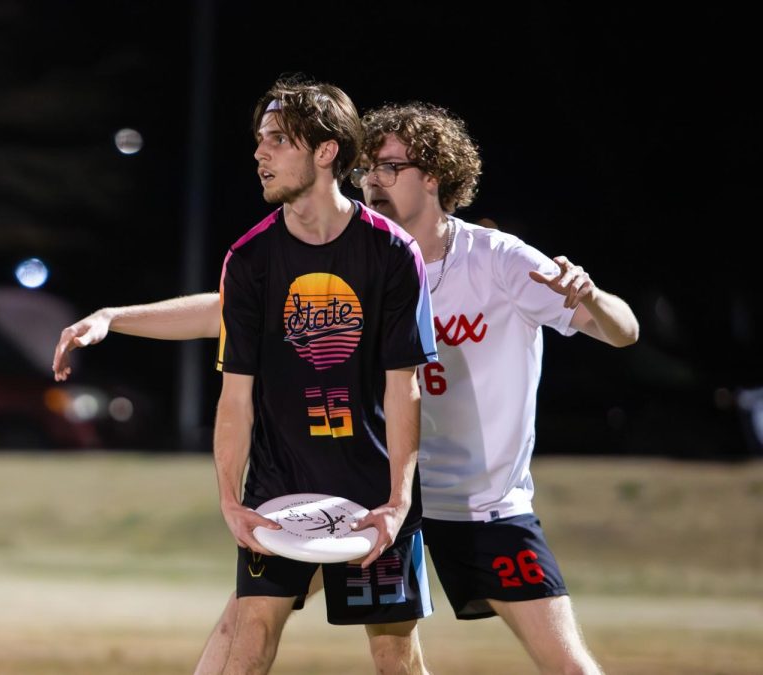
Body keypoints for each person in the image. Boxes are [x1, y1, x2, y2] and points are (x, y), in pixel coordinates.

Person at [54, 101, 639, 674]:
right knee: (245, 623)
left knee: (559, 661)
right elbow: (229, 311)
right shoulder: (358, 258)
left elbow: (622, 332)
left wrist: (590, 295)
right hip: (365, 487)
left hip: (477, 502)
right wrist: (117, 316)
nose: (371, 180)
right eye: (366, 168)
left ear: (434, 175)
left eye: (390, 167)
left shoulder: (496, 261)